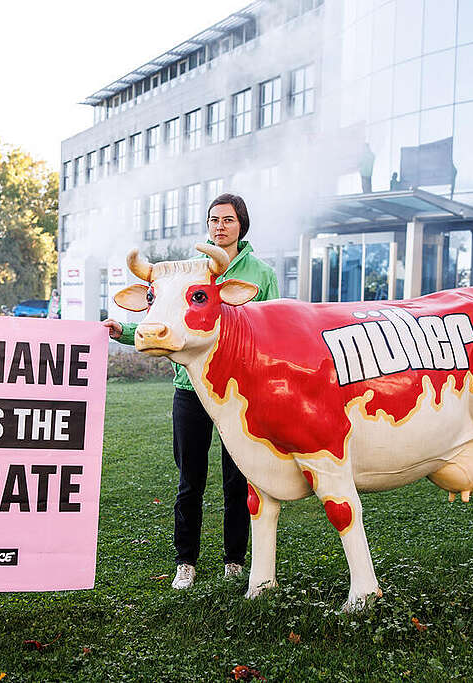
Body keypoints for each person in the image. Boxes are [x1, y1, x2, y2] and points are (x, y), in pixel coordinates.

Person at [103, 193, 279, 590]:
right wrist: (125, 331)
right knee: (190, 480)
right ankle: (186, 562)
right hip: (191, 387)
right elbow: (165, 319)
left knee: (239, 477)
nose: (220, 226)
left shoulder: (261, 274)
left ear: (241, 225)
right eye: (214, 219)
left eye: (228, 220)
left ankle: (235, 559)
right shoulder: (189, 270)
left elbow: (268, 330)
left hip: (239, 391)